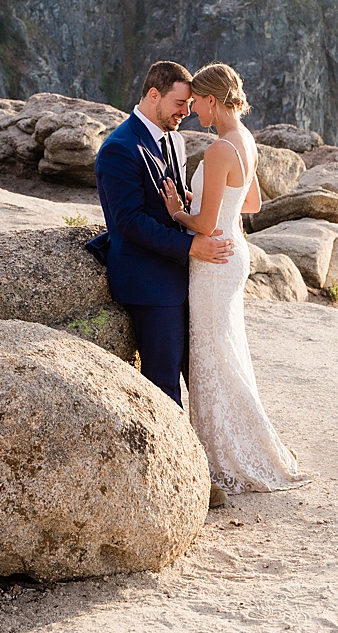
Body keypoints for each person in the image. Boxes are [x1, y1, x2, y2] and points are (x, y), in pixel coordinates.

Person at [157, 62, 311, 494]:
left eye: (196, 104)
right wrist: (204, 198)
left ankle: (223, 454)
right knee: (225, 349)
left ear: (211, 100)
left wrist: (177, 211)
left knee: (211, 354)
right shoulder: (246, 141)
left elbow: (203, 227)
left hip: (213, 258)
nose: (192, 112)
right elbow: (251, 203)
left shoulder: (218, 149)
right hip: (235, 253)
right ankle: (248, 443)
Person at [91, 61, 232, 411]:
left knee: (200, 375)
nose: (187, 111)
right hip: (149, 282)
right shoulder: (119, 148)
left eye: (189, 104)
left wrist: (188, 206)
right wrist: (192, 246)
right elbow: (129, 222)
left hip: (185, 277)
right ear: (154, 95)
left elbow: (173, 200)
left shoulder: (176, 141)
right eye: (180, 103)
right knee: (164, 382)